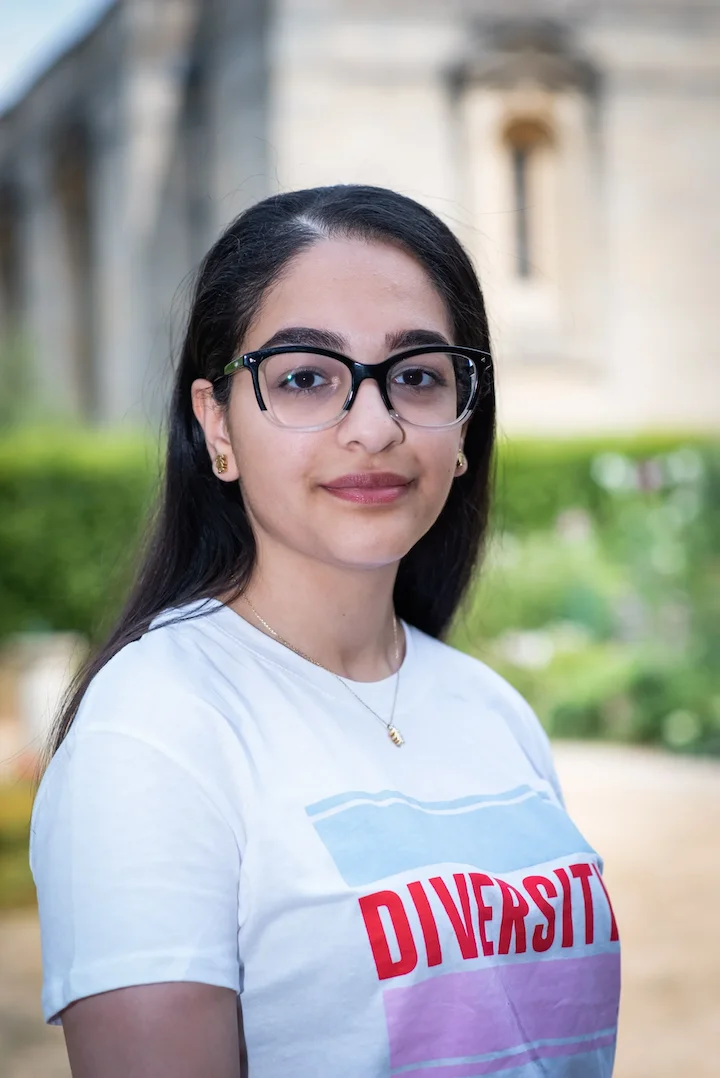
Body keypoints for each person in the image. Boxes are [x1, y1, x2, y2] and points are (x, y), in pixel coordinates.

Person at [30, 185, 621, 1078]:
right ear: (216, 424)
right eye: (306, 377)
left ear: (463, 427)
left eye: (417, 375)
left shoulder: (490, 709)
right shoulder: (154, 732)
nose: (375, 427)